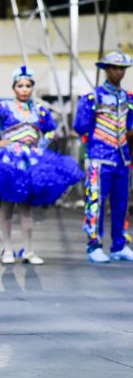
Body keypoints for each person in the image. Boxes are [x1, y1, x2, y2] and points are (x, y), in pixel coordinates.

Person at [0, 67, 82, 265]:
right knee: (7, 205)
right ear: (14, 87)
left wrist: (40, 146)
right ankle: (7, 248)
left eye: (28, 86)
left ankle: (29, 249)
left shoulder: (40, 110)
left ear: (32, 87)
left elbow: (50, 131)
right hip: (8, 160)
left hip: (31, 160)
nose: (24, 89)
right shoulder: (3, 106)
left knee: (26, 208)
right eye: (20, 86)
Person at [74, 51, 133, 263]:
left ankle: (119, 244)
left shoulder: (128, 98)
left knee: (121, 203)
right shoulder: (93, 97)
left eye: (123, 69)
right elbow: (80, 125)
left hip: (123, 158)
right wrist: (95, 144)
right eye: (116, 68)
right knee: (96, 202)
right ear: (106, 69)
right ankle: (94, 245)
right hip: (100, 157)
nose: (120, 72)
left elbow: (130, 126)